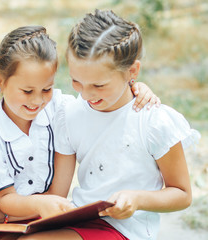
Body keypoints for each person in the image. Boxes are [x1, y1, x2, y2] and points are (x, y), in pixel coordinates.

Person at [0, 25, 160, 240]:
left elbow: (102, 101)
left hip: (41, 211)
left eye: (46, 89)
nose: (37, 100)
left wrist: (135, 87)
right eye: (27, 91)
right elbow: (5, 199)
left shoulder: (61, 109)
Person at [19, 9, 201, 240]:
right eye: (76, 81)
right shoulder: (70, 114)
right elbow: (58, 193)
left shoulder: (154, 122)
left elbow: (182, 194)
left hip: (125, 229)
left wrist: (137, 199)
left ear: (132, 71)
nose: (85, 95)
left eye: (99, 85)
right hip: (79, 218)